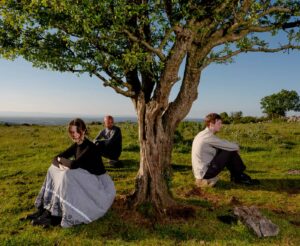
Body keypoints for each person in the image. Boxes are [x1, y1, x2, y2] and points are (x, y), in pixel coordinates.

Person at [25, 118, 116, 228]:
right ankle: (45, 209)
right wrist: (60, 163)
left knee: (68, 174)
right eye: (71, 132)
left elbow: (73, 165)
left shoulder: (90, 147)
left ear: (83, 130)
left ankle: (55, 217)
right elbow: (55, 158)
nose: (73, 135)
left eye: (75, 132)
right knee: (53, 169)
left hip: (99, 184)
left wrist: (61, 161)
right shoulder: (77, 145)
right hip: (86, 177)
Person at [191, 113, 259, 187]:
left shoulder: (203, 134)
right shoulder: (207, 136)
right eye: (219, 123)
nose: (221, 125)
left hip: (202, 171)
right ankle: (239, 177)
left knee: (227, 149)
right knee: (230, 151)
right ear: (211, 124)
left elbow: (222, 143)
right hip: (205, 173)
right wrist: (236, 147)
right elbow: (229, 146)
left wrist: (233, 146)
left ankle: (237, 176)